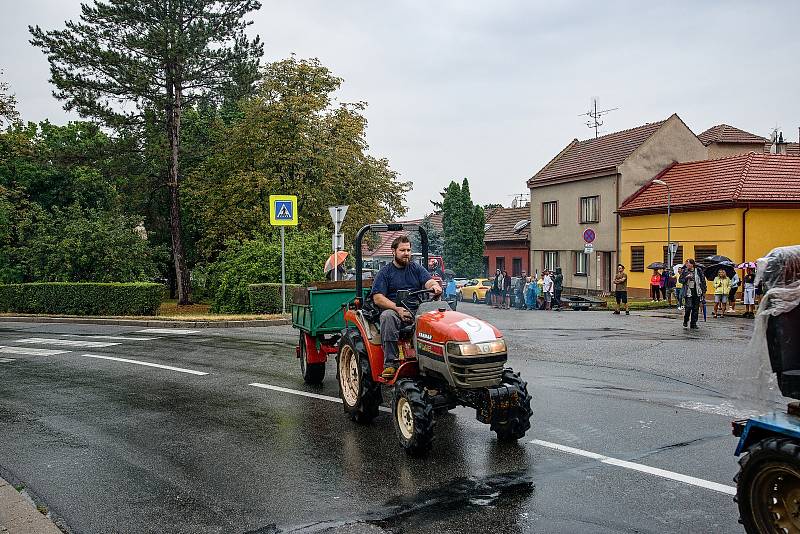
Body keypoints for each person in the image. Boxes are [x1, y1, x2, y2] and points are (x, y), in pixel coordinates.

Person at [370, 235, 442, 378]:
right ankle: (390, 363)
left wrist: (435, 286)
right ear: (393, 251)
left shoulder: (416, 268)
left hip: (416, 309)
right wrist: (397, 308)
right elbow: (377, 298)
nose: (406, 253)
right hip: (395, 311)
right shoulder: (385, 273)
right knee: (387, 317)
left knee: (440, 315)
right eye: (402, 250)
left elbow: (428, 281)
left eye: (408, 250)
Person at [680, 259, 706, 329]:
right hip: (688, 291)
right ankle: (686, 320)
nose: (687, 265)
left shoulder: (698, 270)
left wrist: (704, 291)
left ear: (692, 264)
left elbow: (703, 280)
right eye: (686, 264)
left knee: (695, 308)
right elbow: (680, 280)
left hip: (697, 291)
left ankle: (693, 323)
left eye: (688, 264)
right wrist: (686, 278)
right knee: (688, 307)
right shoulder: (684, 271)